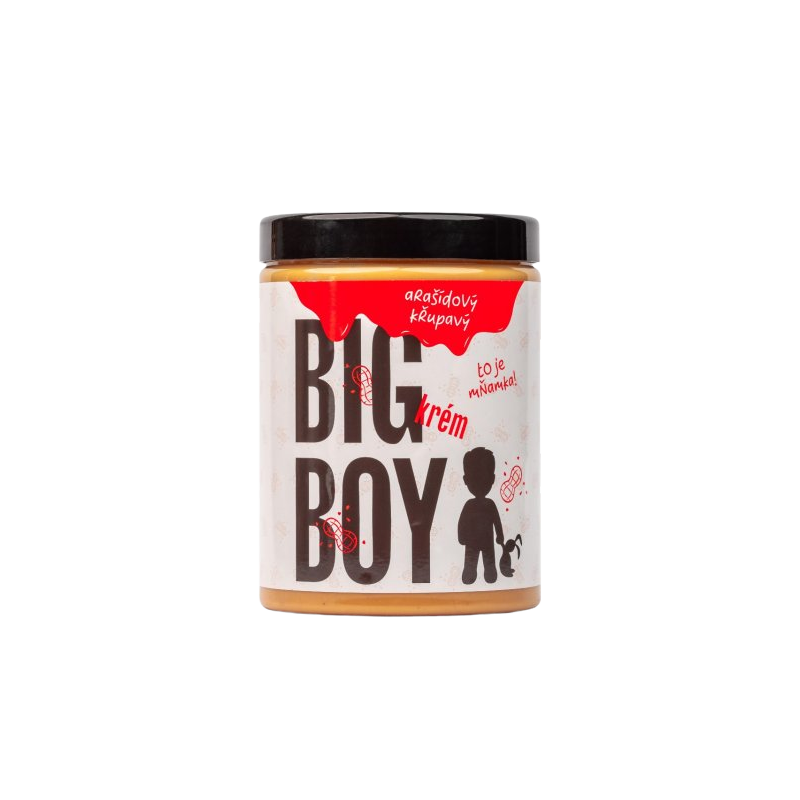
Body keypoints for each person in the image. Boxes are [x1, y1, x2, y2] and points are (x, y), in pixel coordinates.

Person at [457, 447, 503, 584]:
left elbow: (497, 522)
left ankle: (489, 572)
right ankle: (471, 572)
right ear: (465, 480)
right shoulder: (471, 505)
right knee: (472, 560)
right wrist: (461, 536)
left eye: (483, 478)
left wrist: (500, 535)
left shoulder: (488, 504)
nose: (479, 483)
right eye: (475, 478)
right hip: (476, 540)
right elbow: (462, 522)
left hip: (480, 540)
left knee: (487, 559)